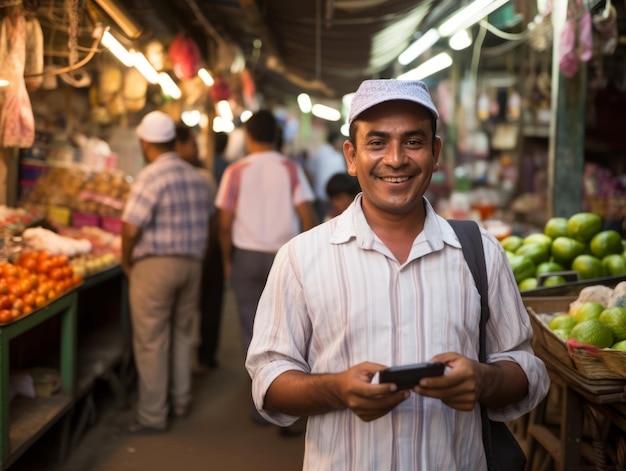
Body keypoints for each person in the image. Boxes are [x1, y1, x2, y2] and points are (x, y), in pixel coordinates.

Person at [246, 79, 549, 468]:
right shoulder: (301, 257)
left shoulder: (480, 252)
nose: (395, 159)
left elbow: (526, 368)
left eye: (413, 141)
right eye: (377, 143)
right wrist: (337, 389)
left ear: (435, 153)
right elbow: (269, 380)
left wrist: (485, 380)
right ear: (351, 157)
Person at [215, 109, 317, 423]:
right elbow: (308, 217)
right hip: (284, 258)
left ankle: (262, 407)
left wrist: (227, 261)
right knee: (293, 330)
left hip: (246, 257)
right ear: (276, 135)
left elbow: (224, 223)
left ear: (247, 136)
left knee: (251, 330)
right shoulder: (291, 169)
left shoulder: (236, 170)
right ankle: (292, 403)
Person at [121, 111, 211, 433]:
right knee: (183, 334)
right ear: (173, 141)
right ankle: (181, 400)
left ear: (146, 144)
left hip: (155, 266)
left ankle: (152, 415)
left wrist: (126, 261)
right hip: (191, 266)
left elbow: (131, 228)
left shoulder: (150, 176)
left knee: (151, 340)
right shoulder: (196, 176)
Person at [175, 124, 223, 371]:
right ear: (177, 145)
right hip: (199, 252)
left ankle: (201, 360)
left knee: (194, 313)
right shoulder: (200, 177)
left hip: (199, 252)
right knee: (195, 314)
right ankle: (199, 361)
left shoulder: (200, 176)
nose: (196, 149)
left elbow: (215, 220)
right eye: (192, 144)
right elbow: (215, 218)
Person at [306, 130, 347, 221]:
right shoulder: (338, 157)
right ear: (335, 141)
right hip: (333, 198)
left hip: (318, 197)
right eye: (340, 141)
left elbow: (309, 171)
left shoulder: (318, 152)